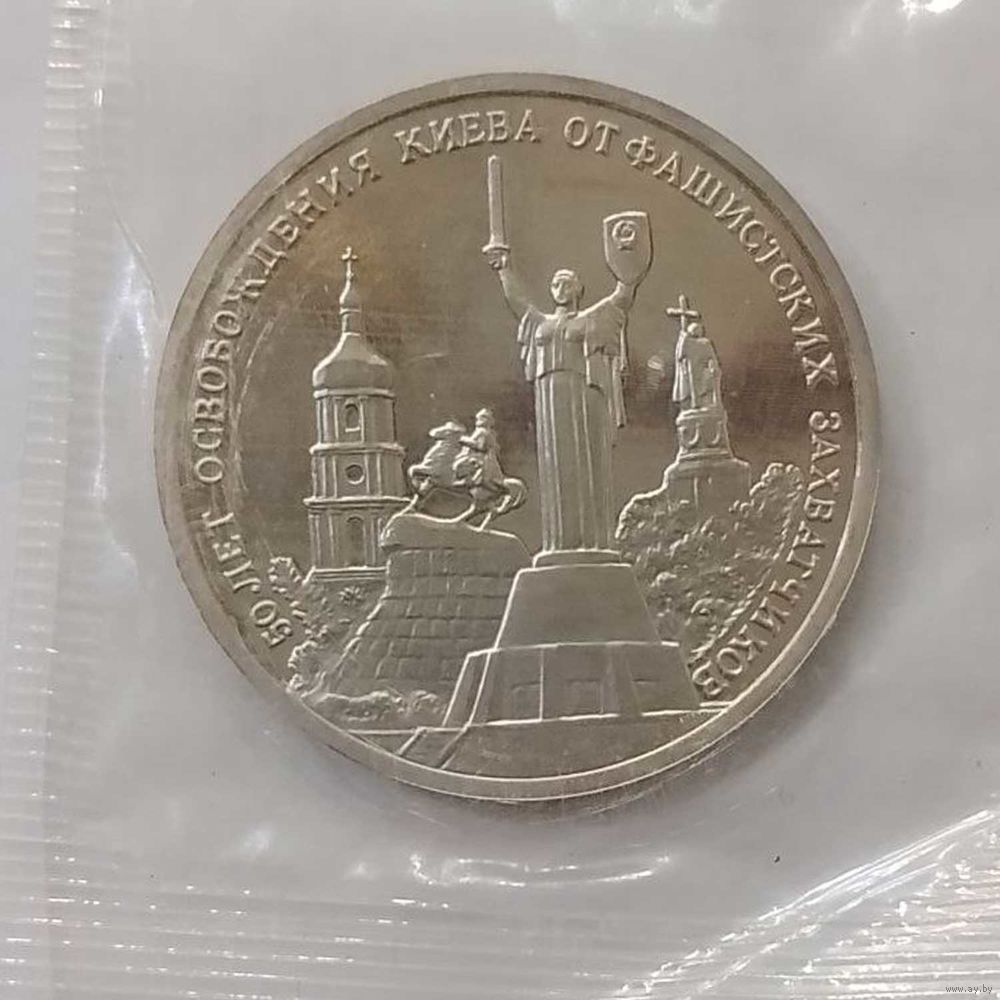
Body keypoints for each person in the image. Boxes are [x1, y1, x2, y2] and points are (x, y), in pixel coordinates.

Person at [483, 246, 640, 552]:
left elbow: (620, 300)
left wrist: (628, 273)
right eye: (556, 283)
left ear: (579, 290)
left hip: (581, 399)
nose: (560, 288)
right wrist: (504, 269)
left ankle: (592, 541)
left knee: (583, 463)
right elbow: (517, 302)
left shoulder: (589, 320)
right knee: (553, 465)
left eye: (567, 283)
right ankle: (557, 544)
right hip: (548, 399)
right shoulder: (540, 322)